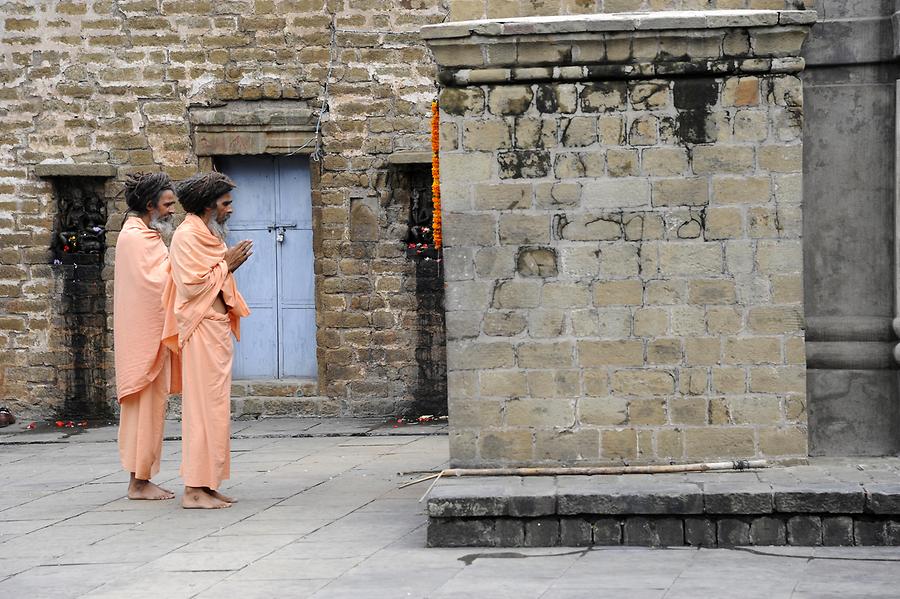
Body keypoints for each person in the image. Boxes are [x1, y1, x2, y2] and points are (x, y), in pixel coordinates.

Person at [163, 172, 252, 509]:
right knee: (201, 409)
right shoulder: (186, 236)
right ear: (208, 205)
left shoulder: (207, 234)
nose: (230, 210)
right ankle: (193, 490)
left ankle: (208, 483)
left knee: (215, 409)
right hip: (199, 328)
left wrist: (225, 266)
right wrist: (225, 265)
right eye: (226, 204)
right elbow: (191, 286)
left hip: (213, 327)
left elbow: (213, 276)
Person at [114, 172, 181, 501]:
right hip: (142, 340)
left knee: (153, 411)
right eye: (167, 204)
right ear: (149, 204)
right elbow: (158, 283)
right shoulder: (134, 239)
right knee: (143, 411)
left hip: (152, 337)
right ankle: (138, 483)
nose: (172, 211)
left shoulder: (147, 235)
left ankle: (143, 478)